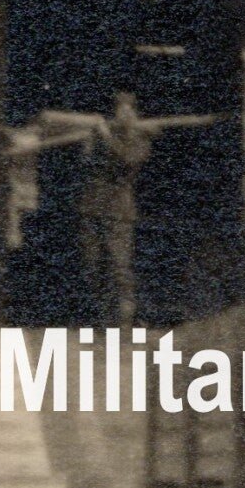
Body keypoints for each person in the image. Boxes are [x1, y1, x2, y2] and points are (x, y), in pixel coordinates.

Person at [77, 92, 153, 325]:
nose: (126, 113)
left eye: (130, 109)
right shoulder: (99, 137)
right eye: (121, 109)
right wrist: (93, 140)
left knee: (119, 265)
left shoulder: (139, 139)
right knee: (92, 264)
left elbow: (128, 159)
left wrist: (106, 136)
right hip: (92, 207)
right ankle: (102, 317)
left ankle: (124, 321)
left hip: (119, 211)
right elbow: (86, 162)